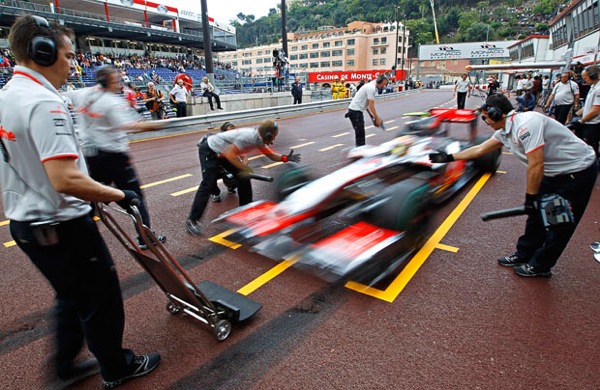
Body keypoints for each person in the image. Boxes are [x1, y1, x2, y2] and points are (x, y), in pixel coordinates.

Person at [0, 15, 160, 389]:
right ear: (44, 52)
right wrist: (121, 194)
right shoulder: (45, 103)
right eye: (69, 55)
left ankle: (64, 366)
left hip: (27, 224)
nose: (73, 63)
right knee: (100, 297)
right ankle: (117, 367)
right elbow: (65, 178)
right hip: (62, 223)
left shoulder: (7, 96)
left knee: (70, 296)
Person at [429, 93, 598, 277]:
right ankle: (524, 254)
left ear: (495, 113)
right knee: (535, 216)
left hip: (576, 171)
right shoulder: (504, 132)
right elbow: (479, 149)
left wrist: (531, 197)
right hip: (551, 172)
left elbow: (536, 164)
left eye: (485, 116)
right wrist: (448, 157)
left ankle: (541, 266)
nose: (484, 120)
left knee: (559, 221)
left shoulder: (526, 125)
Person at [67, 65, 167, 250]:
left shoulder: (82, 94)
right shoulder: (111, 102)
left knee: (94, 196)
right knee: (135, 197)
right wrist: (160, 125)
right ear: (105, 79)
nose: (120, 84)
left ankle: (80, 238)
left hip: (92, 156)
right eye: (116, 79)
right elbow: (132, 126)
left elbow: (64, 97)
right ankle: (145, 237)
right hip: (114, 156)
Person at [186, 120, 301, 235]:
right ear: (268, 135)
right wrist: (243, 168)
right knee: (208, 183)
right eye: (273, 137)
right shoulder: (248, 137)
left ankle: (245, 211)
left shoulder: (258, 139)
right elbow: (231, 155)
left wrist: (285, 158)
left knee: (244, 177)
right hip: (210, 150)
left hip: (224, 152)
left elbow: (271, 155)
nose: (273, 140)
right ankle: (192, 220)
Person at [345, 75, 389, 147]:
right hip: (355, 112)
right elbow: (371, 105)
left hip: (355, 112)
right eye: (383, 84)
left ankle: (360, 151)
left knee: (360, 134)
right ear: (379, 82)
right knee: (360, 136)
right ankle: (359, 153)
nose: (383, 86)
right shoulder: (371, 88)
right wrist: (377, 119)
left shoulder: (370, 85)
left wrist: (372, 116)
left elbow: (367, 104)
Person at [210, 121, 244, 202]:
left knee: (235, 174)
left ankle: (231, 186)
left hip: (227, 165)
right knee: (210, 175)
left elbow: (244, 157)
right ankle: (215, 193)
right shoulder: (217, 142)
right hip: (216, 165)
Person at [573, 65, 600, 159]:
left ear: (593, 76)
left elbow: (596, 110)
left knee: (591, 147)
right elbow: (588, 106)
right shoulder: (593, 87)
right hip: (587, 122)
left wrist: (581, 121)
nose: (584, 81)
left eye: (585, 78)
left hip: (593, 124)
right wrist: (576, 114)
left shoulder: (598, 89)